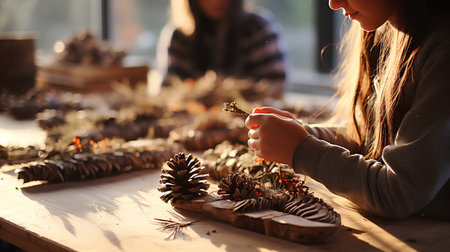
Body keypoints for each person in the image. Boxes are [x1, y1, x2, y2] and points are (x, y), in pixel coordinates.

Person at [246, 0, 450, 219]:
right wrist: (302, 134)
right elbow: (368, 140)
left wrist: (301, 150)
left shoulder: (442, 53)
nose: (333, 4)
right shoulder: (385, 29)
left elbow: (398, 193)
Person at [156, 0, 287, 94]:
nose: (217, 1)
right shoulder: (178, 36)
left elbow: (275, 84)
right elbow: (168, 89)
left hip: (249, 119)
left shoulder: (257, 28)